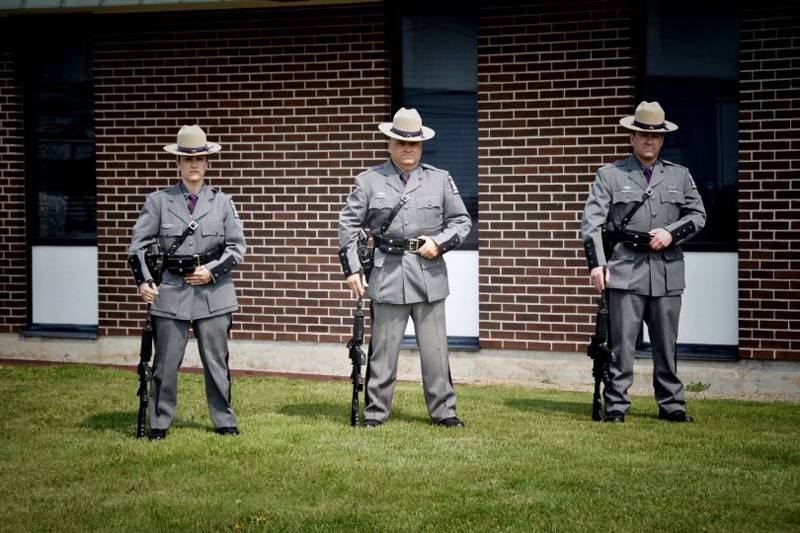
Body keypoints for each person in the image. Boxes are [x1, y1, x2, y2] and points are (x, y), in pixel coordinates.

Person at [338, 107, 472, 428]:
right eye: (401, 142)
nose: (408, 149)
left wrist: (439, 243)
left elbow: (461, 221)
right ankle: (375, 413)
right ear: (389, 144)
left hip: (429, 275)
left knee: (436, 352)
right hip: (387, 275)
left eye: (413, 143)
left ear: (421, 145)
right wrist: (352, 269)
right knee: (383, 352)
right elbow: (348, 225)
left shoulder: (439, 179)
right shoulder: (369, 181)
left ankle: (444, 412)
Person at [581, 101, 706, 423]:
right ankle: (617, 407)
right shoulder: (610, 175)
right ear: (632, 137)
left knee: (667, 346)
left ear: (663, 140)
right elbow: (591, 224)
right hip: (625, 270)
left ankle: (672, 406)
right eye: (643, 135)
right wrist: (597, 265)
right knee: (621, 346)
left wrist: (671, 232)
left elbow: (698, 215)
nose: (650, 141)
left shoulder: (680, 176)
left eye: (656, 136)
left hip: (667, 271)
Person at [128, 125, 246, 440]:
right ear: (178, 163)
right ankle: (159, 421)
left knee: (217, 362)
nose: (194, 165)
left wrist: (211, 271)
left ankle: (224, 419)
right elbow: (137, 247)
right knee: (165, 363)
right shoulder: (159, 201)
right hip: (171, 291)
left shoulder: (223, 202)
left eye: (200, 159)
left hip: (214, 292)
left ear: (207, 163)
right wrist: (144, 281)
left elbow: (237, 248)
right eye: (187, 159)